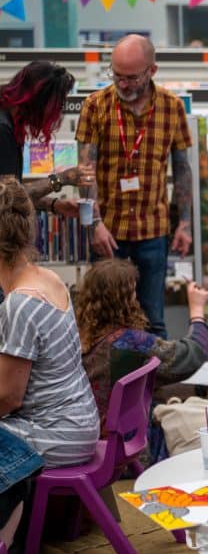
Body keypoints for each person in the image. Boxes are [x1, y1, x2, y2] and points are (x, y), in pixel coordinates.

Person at [76, 34, 194, 339]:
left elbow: (182, 169)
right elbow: (85, 172)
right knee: (102, 319)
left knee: (153, 318)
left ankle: (151, 386)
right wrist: (94, 225)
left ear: (151, 71)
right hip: (107, 232)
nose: (122, 84)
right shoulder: (96, 105)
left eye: (130, 78)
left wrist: (185, 223)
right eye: (116, 76)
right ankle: (106, 385)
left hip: (153, 231)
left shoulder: (172, 107)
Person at [0, 179, 100, 469]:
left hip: (56, 432)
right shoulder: (48, 279)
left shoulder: (20, 304)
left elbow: (8, 399)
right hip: (79, 422)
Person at [75, 258, 208, 428]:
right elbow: (193, 354)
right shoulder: (131, 342)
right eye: (133, 292)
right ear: (125, 301)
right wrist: (197, 309)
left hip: (87, 433)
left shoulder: (78, 338)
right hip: (129, 442)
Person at [0, 59, 93, 216]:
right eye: (56, 106)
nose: (55, 114)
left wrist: (54, 205)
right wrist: (61, 179)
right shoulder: (2, 130)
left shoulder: (10, 122)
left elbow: (14, 189)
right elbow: (7, 198)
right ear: (40, 102)